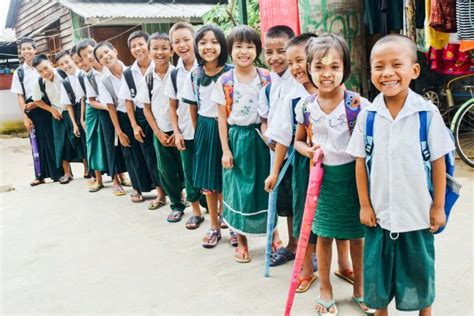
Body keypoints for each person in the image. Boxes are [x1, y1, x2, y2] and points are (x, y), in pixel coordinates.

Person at [347, 34, 454, 316]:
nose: (388, 73)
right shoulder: (368, 116)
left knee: (420, 275)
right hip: (379, 218)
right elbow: (360, 163)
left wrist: (438, 207)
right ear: (371, 72)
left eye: (397, 65)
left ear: (414, 70)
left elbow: (439, 162)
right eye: (379, 66)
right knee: (377, 280)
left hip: (417, 215)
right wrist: (365, 205)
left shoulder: (426, 114)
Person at [293, 34, 372, 315]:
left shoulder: (358, 106)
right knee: (324, 236)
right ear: (309, 69)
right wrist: (309, 151)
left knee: (356, 235)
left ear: (345, 68)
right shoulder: (305, 107)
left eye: (334, 67)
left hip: (354, 180)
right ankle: (325, 288)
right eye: (319, 67)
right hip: (322, 181)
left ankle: (361, 288)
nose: (327, 74)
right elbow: (298, 141)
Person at [264, 32, 320, 292]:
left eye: (302, 59)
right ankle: (307, 271)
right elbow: (282, 138)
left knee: (337, 220)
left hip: (335, 168)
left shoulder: (335, 91)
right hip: (302, 168)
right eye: (292, 61)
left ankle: (344, 264)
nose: (296, 66)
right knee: (303, 218)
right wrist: (274, 173)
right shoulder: (293, 98)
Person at [211, 25, 271, 263]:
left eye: (250, 46)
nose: (244, 51)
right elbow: (222, 120)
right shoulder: (225, 81)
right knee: (239, 193)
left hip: (262, 139)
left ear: (257, 50)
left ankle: (273, 236)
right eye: (239, 46)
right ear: (230, 50)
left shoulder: (267, 78)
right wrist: (225, 150)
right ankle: (242, 242)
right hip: (237, 139)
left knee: (266, 188)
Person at [181, 24, 235, 246]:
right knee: (209, 183)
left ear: (222, 45)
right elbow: (192, 107)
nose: (208, 47)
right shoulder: (194, 75)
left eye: (214, 42)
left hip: (230, 130)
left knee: (229, 181)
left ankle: (232, 225)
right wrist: (199, 133)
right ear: (196, 47)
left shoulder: (232, 72)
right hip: (204, 129)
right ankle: (214, 226)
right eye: (203, 42)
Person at [94, 41, 156, 204]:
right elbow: (111, 108)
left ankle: (159, 187)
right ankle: (137, 188)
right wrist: (119, 132)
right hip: (122, 117)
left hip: (140, 114)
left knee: (149, 152)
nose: (105, 57)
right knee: (131, 155)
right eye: (100, 57)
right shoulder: (104, 81)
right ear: (99, 62)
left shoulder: (132, 71)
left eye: (107, 52)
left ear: (115, 51)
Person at [136, 32, 187, 219]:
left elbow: (184, 104)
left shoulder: (178, 75)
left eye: (164, 48)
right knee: (166, 170)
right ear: (149, 52)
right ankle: (176, 205)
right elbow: (146, 109)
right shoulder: (148, 79)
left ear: (172, 50)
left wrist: (177, 130)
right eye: (155, 48)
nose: (160, 52)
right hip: (161, 132)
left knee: (186, 168)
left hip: (181, 130)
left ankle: (201, 202)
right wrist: (157, 132)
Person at [258, 24, 297, 267]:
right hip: (277, 155)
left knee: (302, 201)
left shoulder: (300, 82)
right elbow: (264, 120)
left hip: (299, 153)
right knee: (287, 203)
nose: (274, 58)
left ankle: (308, 250)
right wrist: (267, 136)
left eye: (281, 51)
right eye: (269, 52)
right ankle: (292, 245)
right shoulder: (269, 86)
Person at [119, 31, 166, 209]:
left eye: (141, 44)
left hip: (163, 114)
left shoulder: (162, 65)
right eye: (133, 46)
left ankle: (179, 192)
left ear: (148, 45)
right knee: (151, 156)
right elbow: (128, 101)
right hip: (141, 115)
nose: (138, 48)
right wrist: (134, 125)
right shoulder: (129, 74)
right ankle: (160, 194)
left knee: (169, 155)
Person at [77, 38, 130, 196]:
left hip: (123, 110)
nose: (89, 56)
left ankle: (125, 174)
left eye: (90, 51)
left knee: (126, 142)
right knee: (110, 145)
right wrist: (107, 107)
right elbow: (91, 101)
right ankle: (115, 180)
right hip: (105, 113)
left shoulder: (113, 66)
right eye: (85, 55)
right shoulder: (89, 77)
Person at [164, 22, 204, 223]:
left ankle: (221, 212)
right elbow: (172, 106)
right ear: (172, 46)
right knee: (189, 173)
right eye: (177, 41)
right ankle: (196, 211)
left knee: (212, 173)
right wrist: (177, 132)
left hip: (206, 131)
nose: (182, 45)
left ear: (195, 41)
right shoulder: (174, 74)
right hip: (185, 131)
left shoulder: (207, 66)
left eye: (186, 39)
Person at [11, 37, 62, 185]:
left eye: (29, 48)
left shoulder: (42, 66)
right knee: (36, 142)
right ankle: (39, 175)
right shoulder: (19, 72)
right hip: (31, 110)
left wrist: (37, 103)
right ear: (20, 51)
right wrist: (25, 117)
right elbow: (20, 96)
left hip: (47, 105)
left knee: (54, 138)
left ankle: (60, 173)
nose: (26, 51)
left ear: (35, 50)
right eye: (23, 49)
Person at [31, 54, 83, 185]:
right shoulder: (40, 82)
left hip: (72, 111)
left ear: (51, 64)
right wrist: (51, 110)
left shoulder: (62, 73)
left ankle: (88, 170)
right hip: (57, 114)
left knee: (79, 139)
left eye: (46, 68)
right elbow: (36, 100)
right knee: (60, 143)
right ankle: (67, 173)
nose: (44, 72)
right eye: (40, 71)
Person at [71, 44, 109, 192]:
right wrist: (82, 118)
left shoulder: (106, 67)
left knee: (110, 142)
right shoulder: (84, 76)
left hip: (107, 107)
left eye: (88, 54)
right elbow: (84, 98)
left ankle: (120, 175)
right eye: (78, 61)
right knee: (92, 143)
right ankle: (98, 178)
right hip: (92, 108)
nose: (83, 63)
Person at [56, 50, 89, 179]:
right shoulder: (65, 82)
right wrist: (75, 124)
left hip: (88, 107)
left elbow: (85, 98)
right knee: (82, 142)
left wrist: (83, 117)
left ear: (72, 60)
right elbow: (68, 105)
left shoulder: (83, 74)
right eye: (61, 64)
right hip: (76, 111)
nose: (65, 66)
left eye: (67, 62)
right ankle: (89, 170)